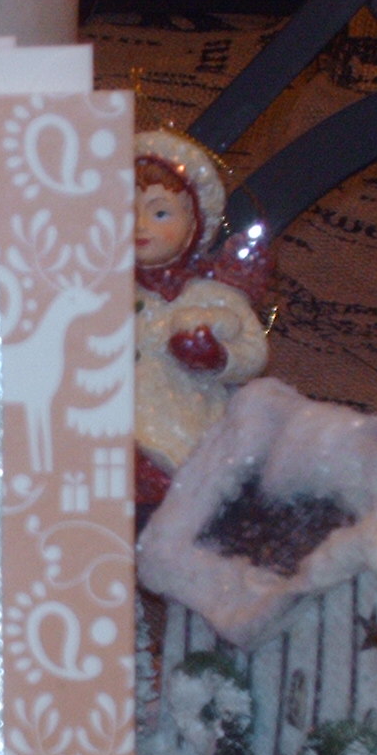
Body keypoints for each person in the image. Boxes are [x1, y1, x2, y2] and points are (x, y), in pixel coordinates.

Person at [133, 129, 274, 521]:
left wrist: (216, 358)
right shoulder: (108, 290)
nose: (140, 226)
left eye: (160, 213)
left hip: (183, 424)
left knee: (177, 503)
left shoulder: (212, 297)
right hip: (111, 428)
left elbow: (253, 352)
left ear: (194, 223)